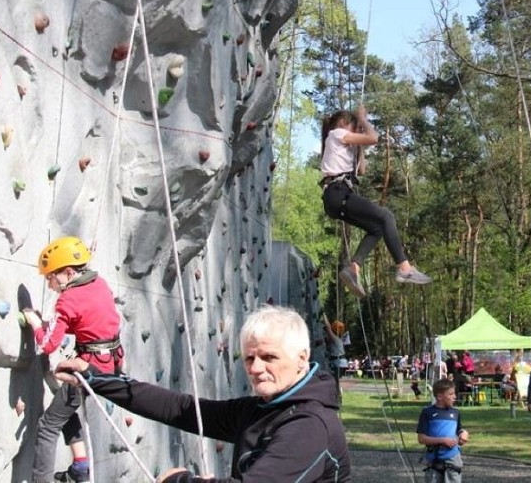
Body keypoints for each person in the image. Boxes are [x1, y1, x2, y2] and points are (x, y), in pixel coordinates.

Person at [55, 305, 350, 482]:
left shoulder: (310, 425)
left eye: (269, 357)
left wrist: (181, 481)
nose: (256, 368)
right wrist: (96, 379)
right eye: (249, 358)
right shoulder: (264, 407)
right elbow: (180, 408)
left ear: (301, 358)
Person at [21, 236, 125, 483]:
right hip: (110, 363)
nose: (50, 285)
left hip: (88, 369)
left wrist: (36, 323)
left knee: (47, 426)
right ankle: (79, 465)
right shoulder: (99, 284)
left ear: (68, 272)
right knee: (63, 409)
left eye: (51, 277)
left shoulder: (68, 299)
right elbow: (87, 320)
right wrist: (51, 325)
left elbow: (47, 345)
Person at [320, 105, 431, 297]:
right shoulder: (337, 133)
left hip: (335, 197)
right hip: (338, 192)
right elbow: (374, 138)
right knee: (386, 216)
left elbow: (361, 170)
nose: (356, 133)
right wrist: (363, 120)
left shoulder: (341, 144)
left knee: (377, 228)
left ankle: (354, 267)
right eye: (354, 129)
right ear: (344, 124)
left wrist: (358, 145)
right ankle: (404, 268)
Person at [416, 378, 470, 482]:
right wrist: (442, 440)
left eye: (454, 394)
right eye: (450, 394)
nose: (454, 397)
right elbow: (421, 438)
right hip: (434, 459)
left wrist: (464, 433)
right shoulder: (427, 412)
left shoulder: (456, 412)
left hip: (453, 458)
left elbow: (459, 429)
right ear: (439, 396)